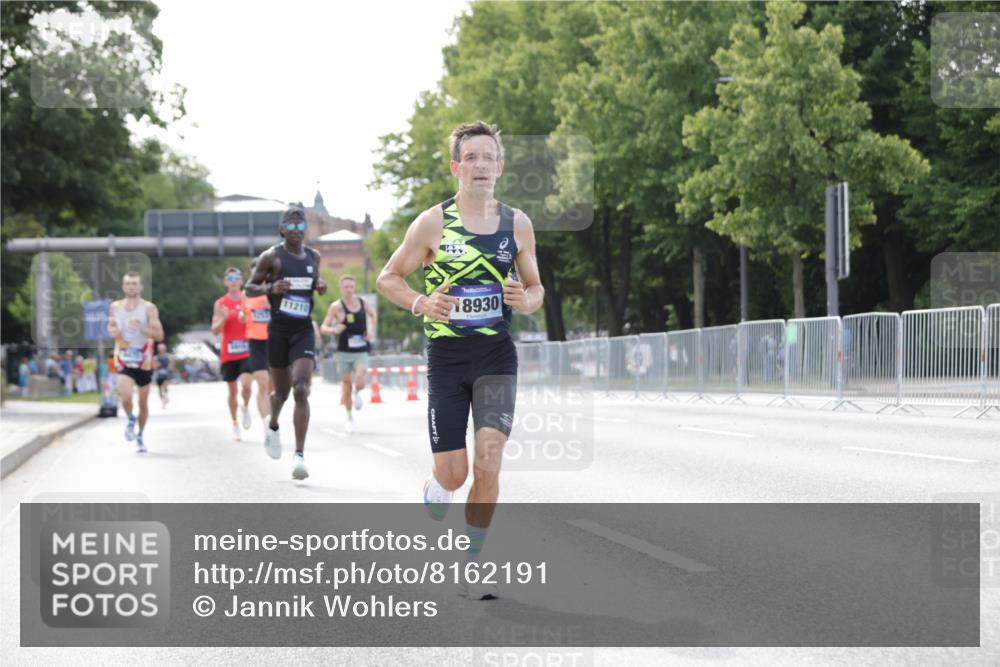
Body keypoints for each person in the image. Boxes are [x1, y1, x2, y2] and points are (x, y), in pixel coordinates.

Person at [376, 121, 544, 599]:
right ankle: (436, 485)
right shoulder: (432, 223)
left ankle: (471, 564)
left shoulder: (518, 224)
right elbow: (389, 278)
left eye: (488, 156)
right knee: (455, 474)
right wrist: (421, 303)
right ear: (456, 167)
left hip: (495, 356)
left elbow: (535, 287)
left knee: (489, 462)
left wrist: (525, 299)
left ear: (500, 166)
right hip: (447, 360)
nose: (480, 165)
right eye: (470, 157)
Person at [245, 203, 328, 480]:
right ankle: (273, 424)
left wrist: (320, 285)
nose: (296, 230)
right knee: (280, 394)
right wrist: (270, 287)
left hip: (303, 330)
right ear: (282, 229)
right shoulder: (272, 257)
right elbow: (249, 287)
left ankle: (300, 455)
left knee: (301, 388)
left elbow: (315, 281)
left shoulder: (313, 256)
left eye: (300, 225)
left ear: (305, 228)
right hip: (278, 332)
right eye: (291, 226)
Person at [107, 271, 164, 453]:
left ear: (140, 287)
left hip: (144, 361)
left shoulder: (149, 308)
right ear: (124, 287)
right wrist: (115, 333)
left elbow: (159, 335)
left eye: (134, 283)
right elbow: (111, 329)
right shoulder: (115, 307)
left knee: (143, 402)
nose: (131, 286)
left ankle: (140, 435)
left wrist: (140, 327)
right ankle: (130, 417)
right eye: (128, 283)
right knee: (125, 395)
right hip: (123, 357)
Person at [320, 275, 377, 432]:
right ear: (340, 288)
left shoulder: (362, 303)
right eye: (346, 287)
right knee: (346, 385)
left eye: (351, 286)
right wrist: (333, 329)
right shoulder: (336, 307)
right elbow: (323, 328)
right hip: (344, 351)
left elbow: (373, 315)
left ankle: (358, 392)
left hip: (361, 349)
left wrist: (371, 331)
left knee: (361, 376)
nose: (349, 290)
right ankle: (350, 416)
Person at [212, 267, 253, 440]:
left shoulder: (248, 300)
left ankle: (245, 406)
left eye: (237, 278)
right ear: (226, 282)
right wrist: (223, 318)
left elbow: (260, 323)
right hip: (228, 353)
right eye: (230, 278)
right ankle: (235, 422)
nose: (234, 281)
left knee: (246, 385)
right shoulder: (220, 303)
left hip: (246, 350)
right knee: (232, 391)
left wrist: (247, 319)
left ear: (241, 281)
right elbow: (214, 330)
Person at [243, 258, 272, 439]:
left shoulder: (274, 292)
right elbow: (242, 313)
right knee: (262, 382)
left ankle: (268, 414)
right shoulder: (245, 294)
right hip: (255, 342)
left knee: (271, 387)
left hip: (274, 341)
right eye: (256, 273)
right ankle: (266, 424)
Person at [154, 343, 173, 408]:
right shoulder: (156, 358)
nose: (161, 350)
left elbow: (171, 366)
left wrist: (169, 369)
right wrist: (157, 365)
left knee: (165, 386)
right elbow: (155, 367)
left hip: (166, 374)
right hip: (159, 375)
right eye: (160, 349)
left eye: (163, 349)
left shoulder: (168, 357)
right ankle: (163, 399)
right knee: (160, 390)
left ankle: (165, 398)